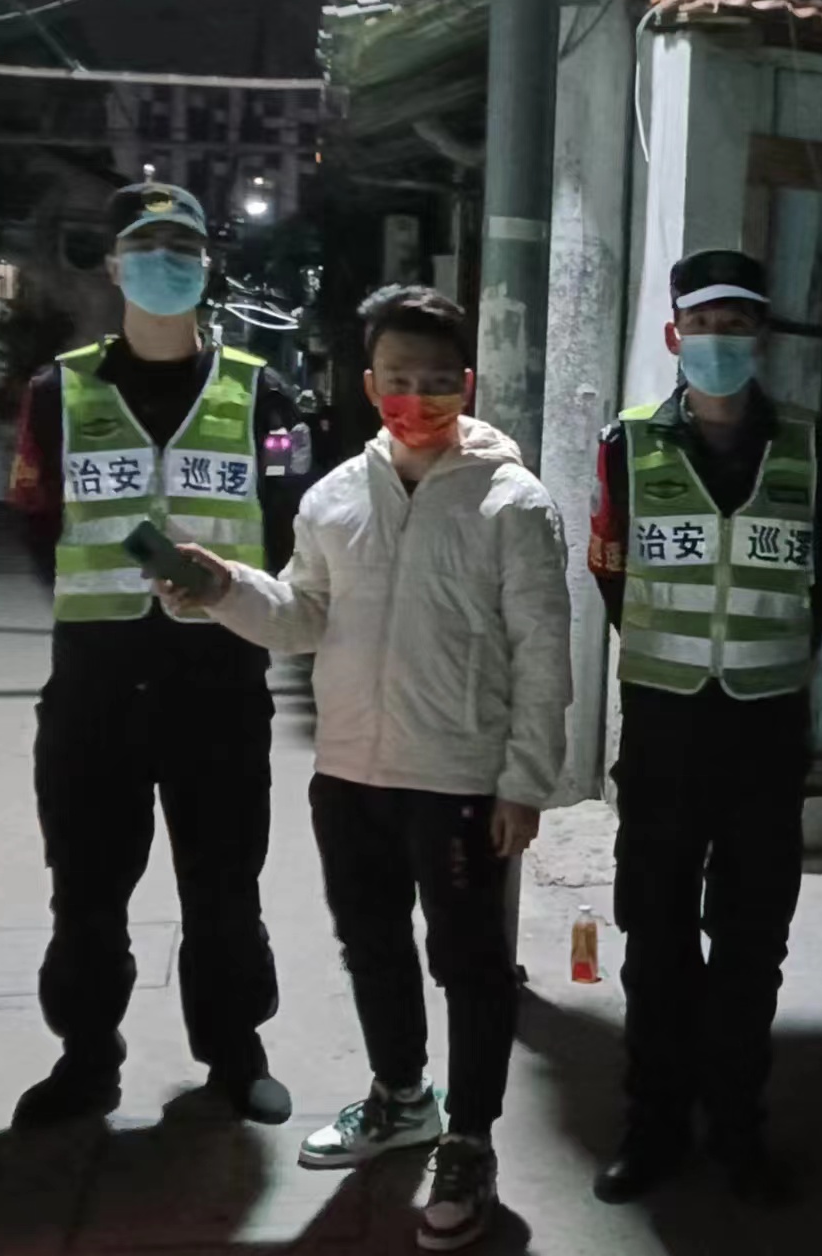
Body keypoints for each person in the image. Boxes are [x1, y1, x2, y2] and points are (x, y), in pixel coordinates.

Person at [163, 285, 570, 1254]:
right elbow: (301, 615)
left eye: (436, 380)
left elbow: (543, 652)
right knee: (371, 943)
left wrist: (525, 781)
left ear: (467, 383)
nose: (415, 398)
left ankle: (469, 1138)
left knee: (469, 962)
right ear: (367, 382)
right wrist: (222, 589)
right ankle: (401, 1098)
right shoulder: (334, 497)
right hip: (350, 771)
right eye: (396, 378)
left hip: (460, 778)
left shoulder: (513, 502)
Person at [6, 183, 304, 1130]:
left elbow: (290, 526)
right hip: (94, 691)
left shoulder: (263, 393)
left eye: (183, 247)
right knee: (87, 889)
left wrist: (229, 589)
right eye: (146, 246)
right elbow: (36, 523)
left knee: (224, 887)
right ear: (114, 263)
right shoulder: (57, 393)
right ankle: (87, 1059)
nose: (165, 263)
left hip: (219, 687)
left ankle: (234, 1052)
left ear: (207, 266)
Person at [586, 249, 822, 1205]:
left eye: (736, 326)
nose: (719, 341)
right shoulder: (627, 443)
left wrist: (768, 652)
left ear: (760, 338)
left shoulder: (814, 445)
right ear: (675, 336)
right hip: (664, 730)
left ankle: (738, 1129)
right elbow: (611, 568)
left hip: (765, 734)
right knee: (655, 938)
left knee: (751, 943)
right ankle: (653, 1126)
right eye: (703, 326)